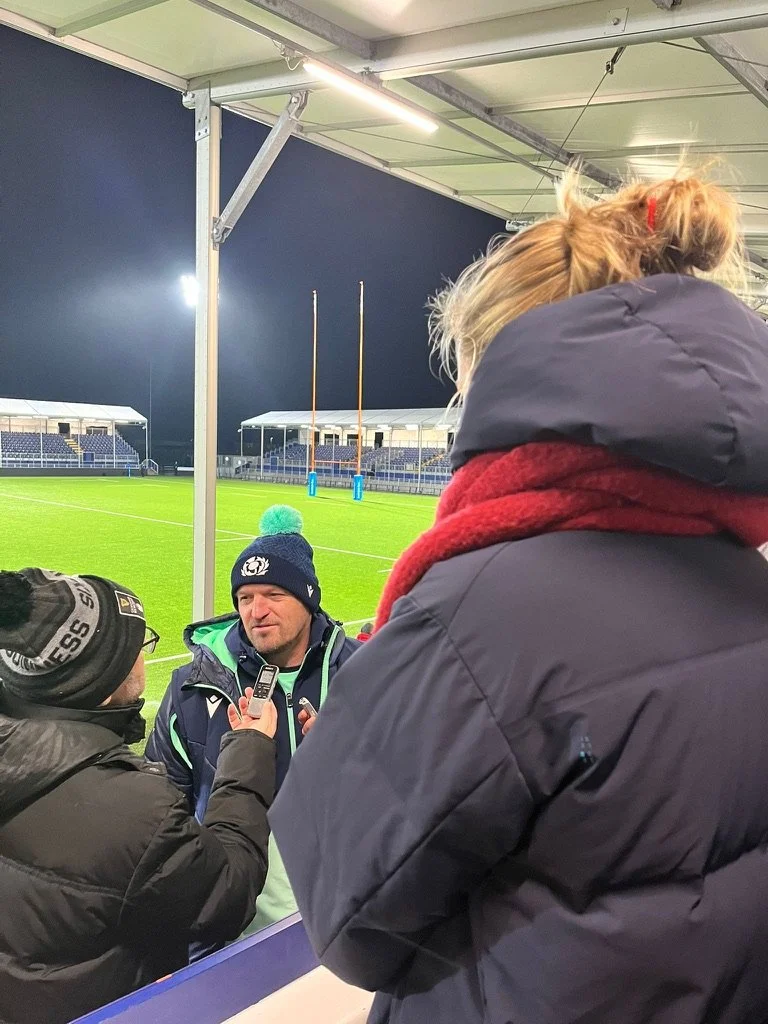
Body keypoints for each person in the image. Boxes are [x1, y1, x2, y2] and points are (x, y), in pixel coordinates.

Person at [271, 172, 768, 1024]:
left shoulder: (479, 619)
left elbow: (348, 920)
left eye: (467, 383)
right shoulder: (745, 575)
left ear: (516, 374)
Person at [0, 567, 276, 1024]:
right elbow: (229, 891)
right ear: (102, 677)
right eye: (138, 646)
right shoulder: (132, 810)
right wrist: (249, 747)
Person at [146, 504, 362, 931]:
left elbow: (419, 790)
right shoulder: (193, 687)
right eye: (245, 598)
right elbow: (160, 812)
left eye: (274, 595)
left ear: (307, 598)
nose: (256, 611)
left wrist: (357, 756)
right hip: (231, 931)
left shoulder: (364, 673)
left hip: (352, 916)